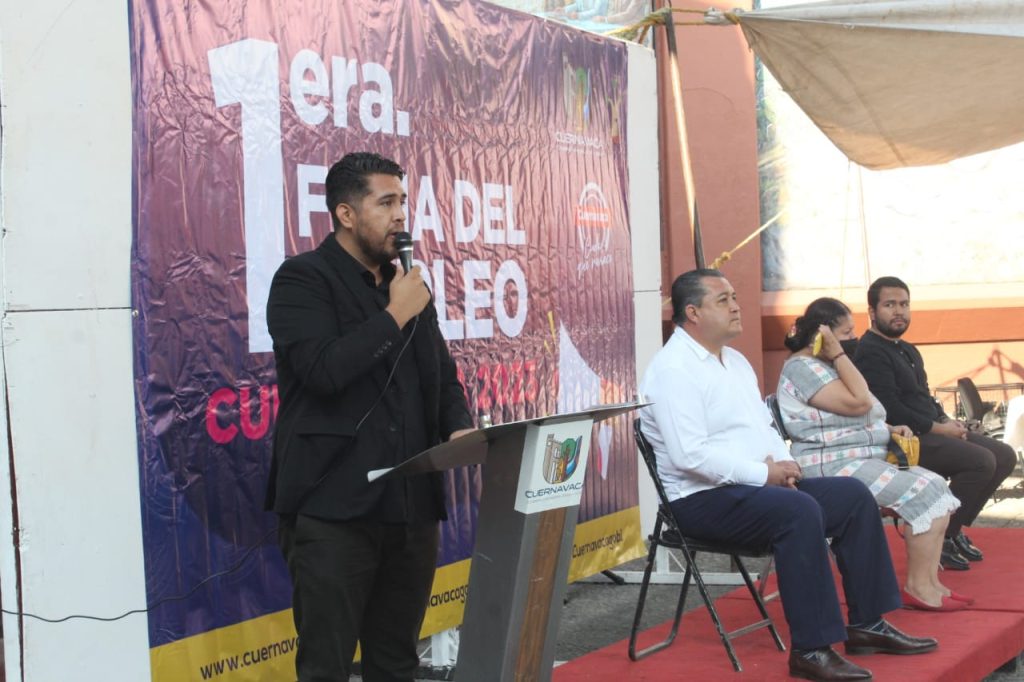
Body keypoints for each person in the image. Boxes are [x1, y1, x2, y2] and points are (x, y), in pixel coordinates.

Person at [640, 269, 937, 682]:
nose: (736, 306)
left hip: (754, 486)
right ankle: (811, 650)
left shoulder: (735, 361)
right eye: (723, 300)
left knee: (853, 496)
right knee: (798, 512)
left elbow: (764, 425)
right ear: (693, 313)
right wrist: (764, 474)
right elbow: (690, 456)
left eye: (734, 296)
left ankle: (868, 624)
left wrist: (785, 465)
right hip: (700, 498)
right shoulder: (673, 370)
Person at [265, 152, 474, 681]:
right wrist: (395, 313)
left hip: (409, 506)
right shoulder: (301, 280)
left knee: (396, 661)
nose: (400, 214)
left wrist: (459, 427)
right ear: (346, 214)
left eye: (402, 201)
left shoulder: (407, 285)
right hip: (333, 509)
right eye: (385, 203)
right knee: (327, 666)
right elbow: (323, 371)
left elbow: (440, 374)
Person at [777, 297, 967, 611]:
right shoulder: (803, 368)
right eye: (846, 333)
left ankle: (931, 583)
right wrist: (839, 354)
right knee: (923, 493)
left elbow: (860, 413)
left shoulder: (826, 365)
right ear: (823, 336)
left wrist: (889, 428)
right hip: (830, 464)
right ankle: (918, 587)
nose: (854, 338)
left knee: (936, 486)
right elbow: (859, 403)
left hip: (858, 457)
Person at [854, 277, 1016, 571]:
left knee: (1004, 455)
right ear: (872, 312)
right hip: (901, 439)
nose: (899, 311)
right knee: (981, 461)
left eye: (904, 304)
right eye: (890, 304)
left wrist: (947, 420)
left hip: (931, 429)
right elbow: (890, 408)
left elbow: (923, 397)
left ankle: (951, 531)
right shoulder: (870, 351)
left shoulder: (907, 349)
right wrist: (940, 429)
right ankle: (939, 537)